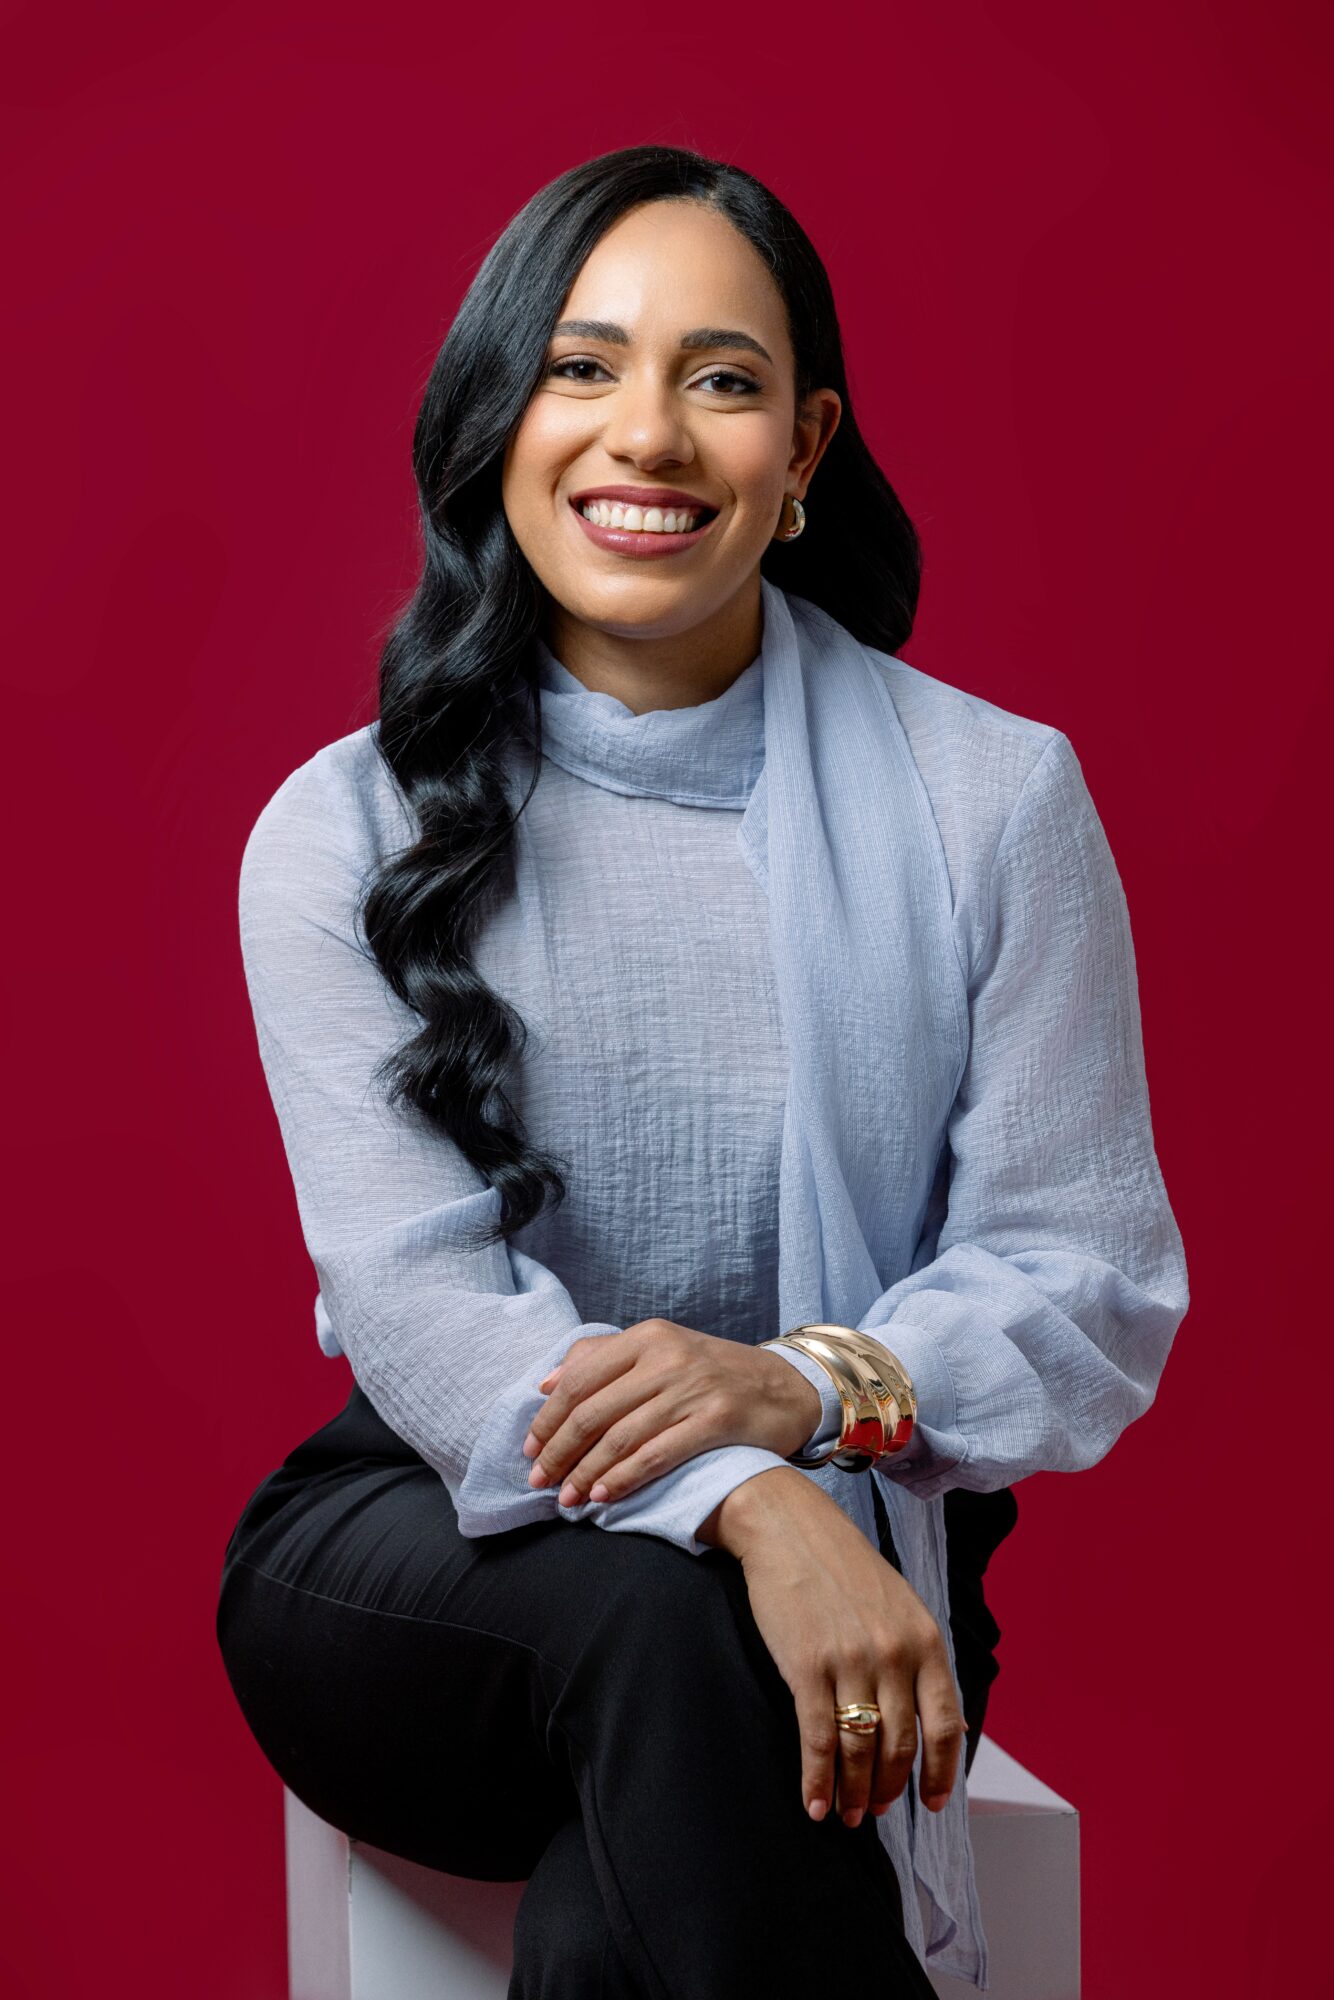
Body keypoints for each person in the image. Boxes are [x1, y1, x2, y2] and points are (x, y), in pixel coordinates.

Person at [215, 143, 1189, 1998]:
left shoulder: (992, 802)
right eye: (582, 369)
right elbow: (425, 1315)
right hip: (429, 1556)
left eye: (720, 381)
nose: (645, 435)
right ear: (501, 422)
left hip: (855, 1553)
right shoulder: (342, 831)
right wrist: (742, 1503)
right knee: (682, 1629)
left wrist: (799, 1400)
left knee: (634, 1887)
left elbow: (1087, 1275)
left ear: (806, 450)